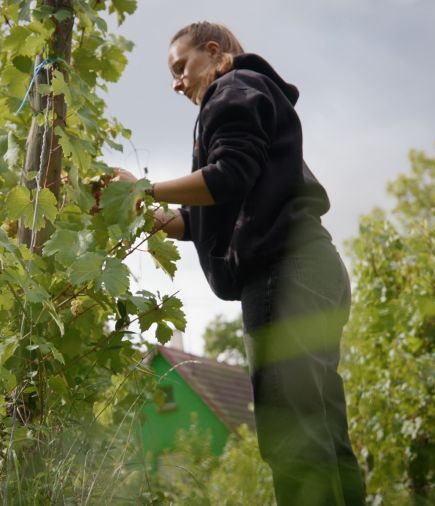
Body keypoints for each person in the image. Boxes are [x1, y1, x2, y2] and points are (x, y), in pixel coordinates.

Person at [112, 22, 365, 506]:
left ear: (213, 52)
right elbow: (196, 218)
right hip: (314, 271)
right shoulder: (249, 95)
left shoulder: (231, 90)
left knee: (292, 435)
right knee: (323, 432)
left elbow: (228, 175)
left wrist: (140, 187)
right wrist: (138, 208)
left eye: (181, 67)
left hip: (283, 275)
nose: (177, 83)